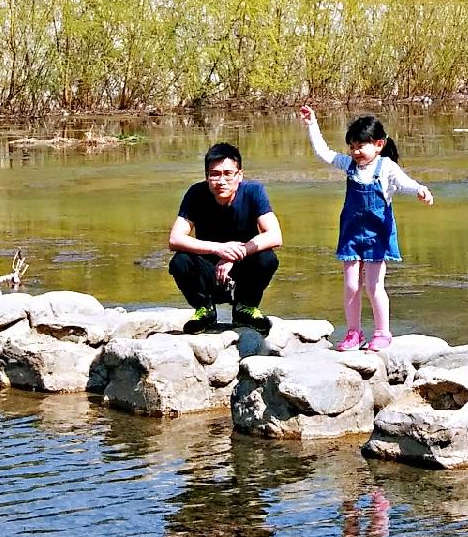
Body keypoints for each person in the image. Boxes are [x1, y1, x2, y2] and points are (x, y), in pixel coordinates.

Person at [297, 105, 432, 352]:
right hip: (351, 233)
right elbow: (322, 153)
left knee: (373, 285)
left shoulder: (387, 166)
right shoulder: (349, 165)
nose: (356, 151)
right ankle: (353, 333)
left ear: (379, 144)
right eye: (352, 147)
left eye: (361, 145)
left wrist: (420, 190)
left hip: (377, 234)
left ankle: (382, 332)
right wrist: (312, 124)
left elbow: (404, 183)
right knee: (350, 285)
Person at [167, 142, 282, 331]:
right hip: (210, 271)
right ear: (207, 176)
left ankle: (245, 307)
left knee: (267, 258)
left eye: (228, 174)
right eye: (215, 174)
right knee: (180, 261)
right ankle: (205, 309)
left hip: (243, 270)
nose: (221, 181)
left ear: (239, 175)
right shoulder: (196, 194)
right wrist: (218, 249)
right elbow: (175, 239)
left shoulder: (253, 192)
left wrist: (236, 254)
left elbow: (275, 236)